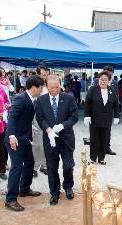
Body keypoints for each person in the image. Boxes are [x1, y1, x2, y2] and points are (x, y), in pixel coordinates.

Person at [36, 74, 79, 206]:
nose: (54, 90)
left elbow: (74, 116)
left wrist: (63, 125)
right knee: (52, 167)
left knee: (68, 165)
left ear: (60, 85)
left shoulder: (69, 98)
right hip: (50, 139)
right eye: (51, 87)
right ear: (46, 86)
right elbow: (40, 118)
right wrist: (48, 130)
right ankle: (54, 192)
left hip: (66, 138)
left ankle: (68, 186)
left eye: (56, 87)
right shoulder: (41, 100)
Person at [5, 75, 44, 211]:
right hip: (15, 139)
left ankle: (24, 189)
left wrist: (30, 128)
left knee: (29, 163)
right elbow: (12, 118)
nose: (41, 90)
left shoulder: (31, 99)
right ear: (34, 87)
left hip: (25, 138)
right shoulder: (21, 98)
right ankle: (10, 199)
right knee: (16, 167)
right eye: (40, 88)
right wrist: (11, 136)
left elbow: (25, 118)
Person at [84, 71, 119, 165]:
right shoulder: (93, 89)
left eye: (105, 80)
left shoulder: (111, 90)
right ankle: (92, 158)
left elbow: (116, 105)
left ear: (108, 81)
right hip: (94, 119)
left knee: (104, 139)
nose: (103, 81)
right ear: (98, 80)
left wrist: (116, 116)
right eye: (101, 79)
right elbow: (87, 103)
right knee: (94, 139)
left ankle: (101, 158)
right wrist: (87, 116)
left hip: (106, 120)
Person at [32, 65, 50, 177]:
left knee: (47, 142)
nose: (45, 77)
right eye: (43, 75)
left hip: (49, 117)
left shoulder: (50, 84)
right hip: (37, 116)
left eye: (47, 75)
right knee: (37, 143)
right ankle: (34, 166)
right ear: (38, 74)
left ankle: (45, 165)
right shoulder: (34, 85)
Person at [103, 66, 118, 155]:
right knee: (99, 130)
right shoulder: (98, 81)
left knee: (108, 130)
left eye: (111, 74)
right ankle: (99, 147)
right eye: (108, 74)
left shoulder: (115, 83)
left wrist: (117, 112)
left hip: (109, 110)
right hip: (99, 110)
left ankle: (107, 147)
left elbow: (116, 97)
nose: (110, 76)